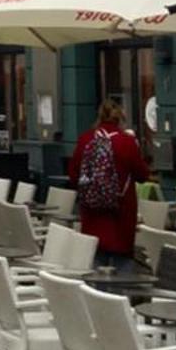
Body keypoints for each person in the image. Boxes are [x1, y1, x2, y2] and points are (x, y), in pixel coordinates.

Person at [70, 98, 148, 264]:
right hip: (120, 214)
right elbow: (143, 175)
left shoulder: (86, 139)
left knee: (95, 262)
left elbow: (74, 175)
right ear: (120, 118)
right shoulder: (127, 142)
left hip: (91, 213)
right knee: (122, 267)